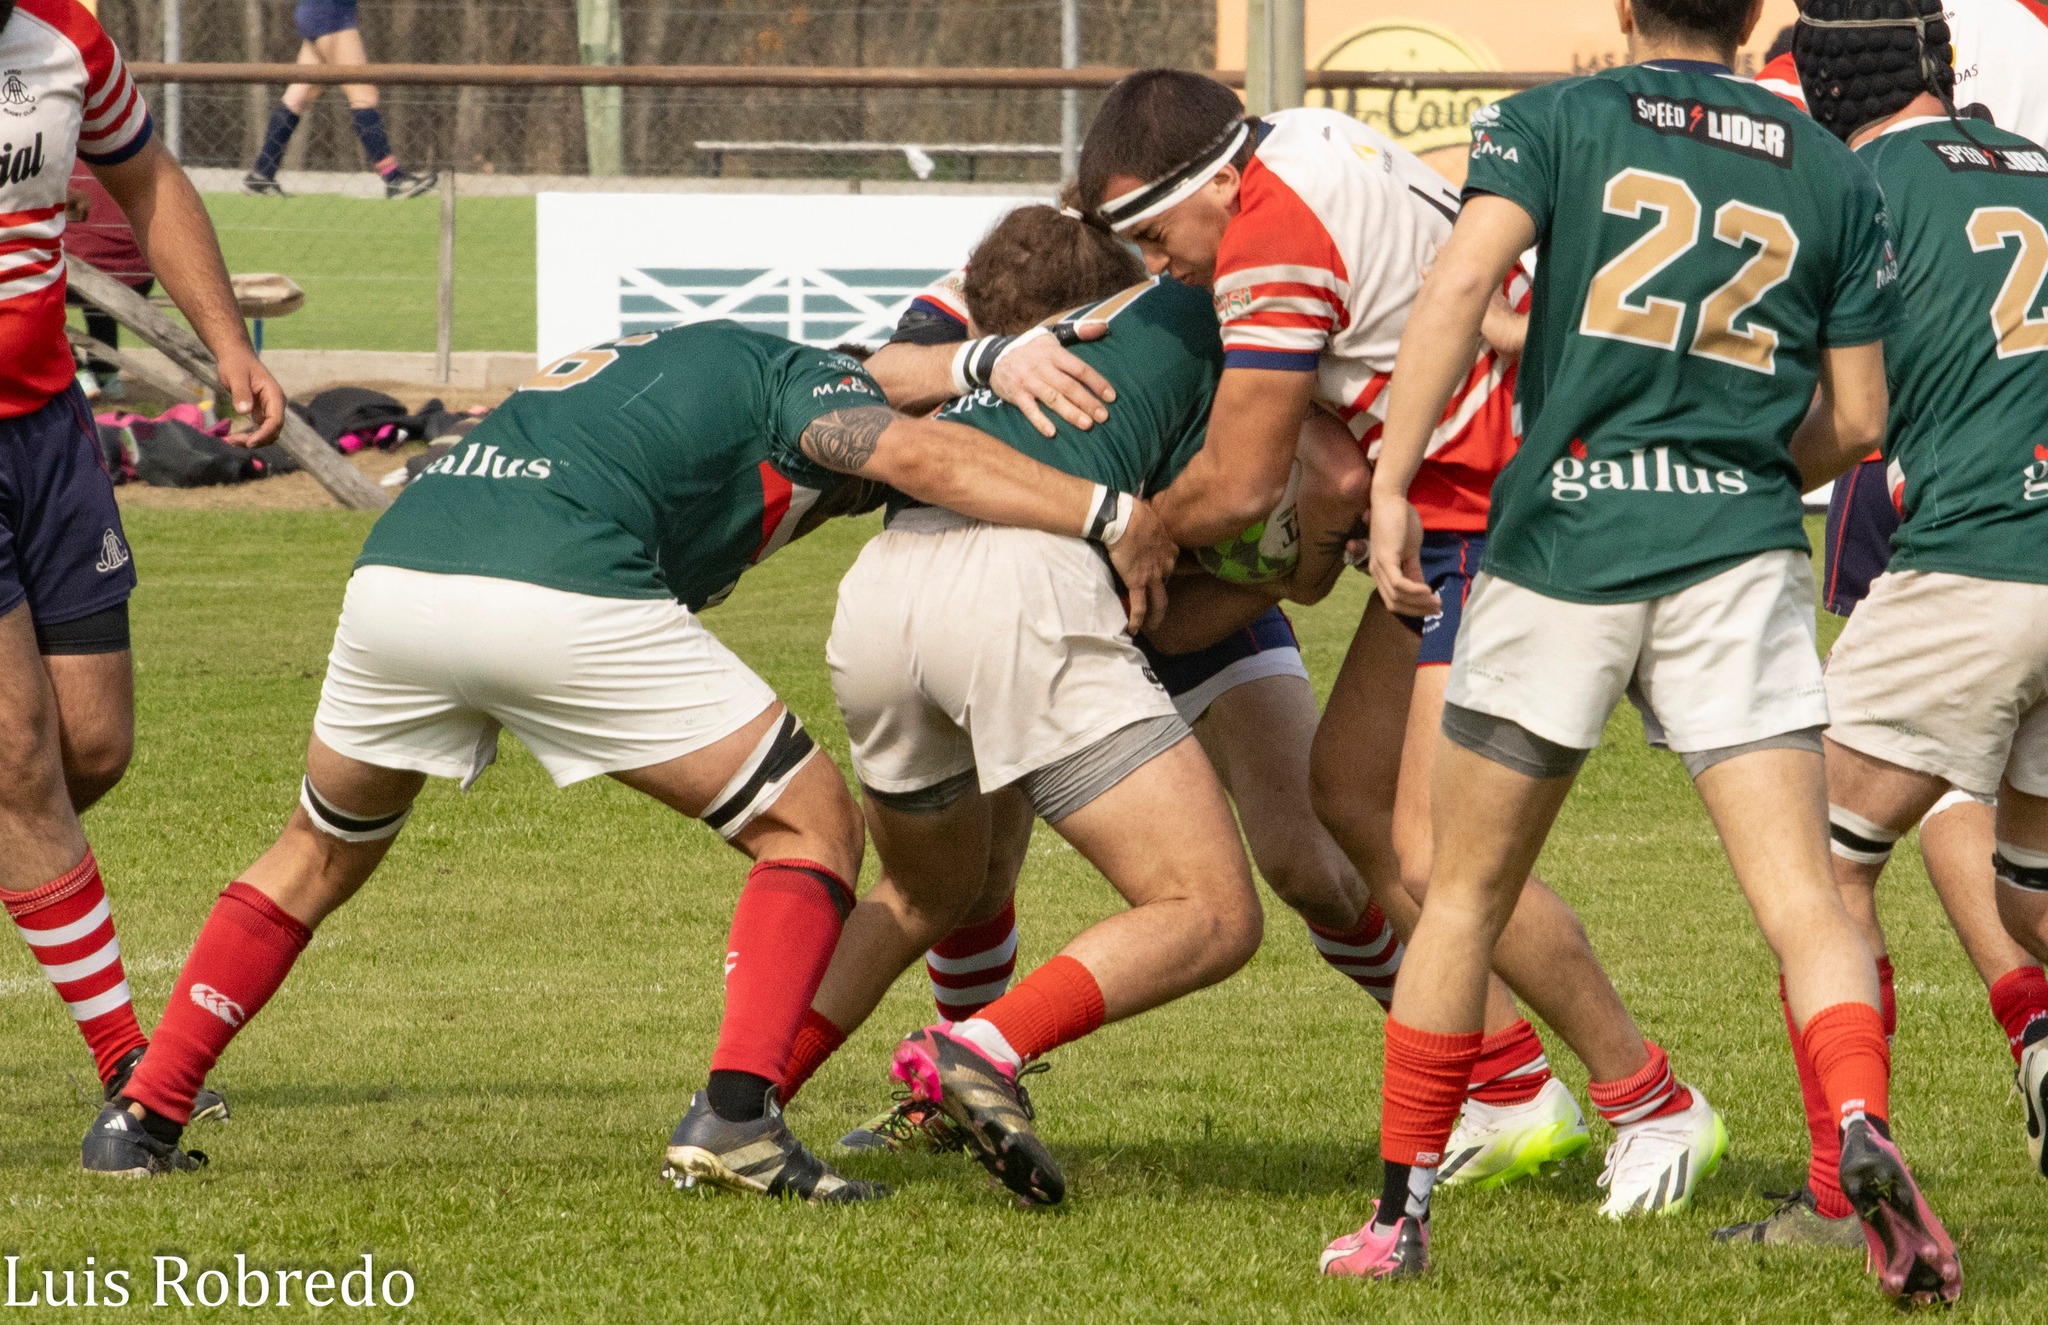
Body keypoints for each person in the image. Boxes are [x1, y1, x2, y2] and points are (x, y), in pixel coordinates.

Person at [75, 320, 1176, 1192]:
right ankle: (739, 1120)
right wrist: (1106, 510)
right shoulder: (802, 379)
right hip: (551, 578)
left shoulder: (716, 357)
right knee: (810, 826)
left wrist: (979, 356)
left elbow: (878, 374)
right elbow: (898, 439)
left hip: (395, 575)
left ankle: (144, 1113)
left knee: (316, 851)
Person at [1335, 0, 1962, 1301]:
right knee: (1805, 902)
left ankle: (1397, 1218)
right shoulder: (1830, 166)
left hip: (1565, 536)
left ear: (1625, 10)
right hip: (1734, 556)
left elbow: (1459, 283)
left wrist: (1392, 476)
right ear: (1755, 19)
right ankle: (1855, 1131)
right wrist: (1735, 469)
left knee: (1462, 892)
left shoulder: (1555, 117)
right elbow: (1854, 420)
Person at [1073, 69, 1722, 1215]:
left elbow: (1234, 482)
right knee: (1351, 793)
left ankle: (1648, 1098)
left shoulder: (1271, 230)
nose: (1155, 263)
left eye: (1151, 229)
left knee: (1433, 853)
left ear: (1216, 180)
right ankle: (1513, 1088)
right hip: (1451, 503)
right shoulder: (1313, 138)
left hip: (1506, 511)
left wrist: (1136, 535)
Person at [782, 206, 1401, 1162]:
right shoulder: (961, 307)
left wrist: (1272, 572)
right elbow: (857, 380)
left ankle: (1470, 1067)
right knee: (1003, 877)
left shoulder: (1175, 295)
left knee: (1307, 859)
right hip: (1052, 591)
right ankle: (962, 1070)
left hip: (1172, 585)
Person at [1712, 0, 2048, 1247]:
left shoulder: (1850, 194)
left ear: (1824, 88)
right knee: (2030, 896)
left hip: (1971, 566)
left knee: (1816, 866)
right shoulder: (2034, 165)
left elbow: (1831, 412)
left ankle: (1830, 1189)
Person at [3, 0, 281, 1126]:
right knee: (18, 756)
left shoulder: (64, 35)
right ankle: (132, 1065)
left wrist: (226, 343)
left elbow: (150, 178)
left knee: (91, 746)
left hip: (48, 437)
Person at [243, 0, 435, 199]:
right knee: (363, 95)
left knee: (299, 95)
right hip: (332, 15)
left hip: (316, 12)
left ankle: (262, 174)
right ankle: (394, 180)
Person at [60, 162, 150, 399]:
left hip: (81, 273)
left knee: (35, 295)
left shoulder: (53, 153)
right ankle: (106, 375)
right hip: (136, 273)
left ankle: (77, 373)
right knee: (99, 302)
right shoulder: (126, 151)